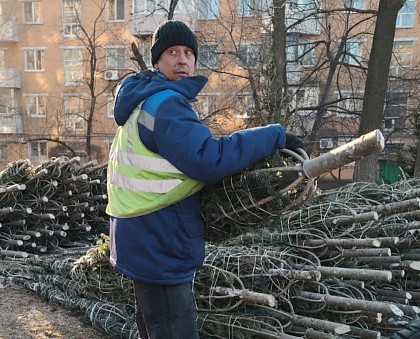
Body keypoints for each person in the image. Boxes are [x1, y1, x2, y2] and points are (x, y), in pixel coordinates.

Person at [106, 20, 304, 339]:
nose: (182, 59)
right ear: (157, 60)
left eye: (188, 52)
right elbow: (208, 159)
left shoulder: (141, 101)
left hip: (138, 237)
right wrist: (275, 135)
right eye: (172, 52)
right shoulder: (166, 105)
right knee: (173, 329)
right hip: (162, 238)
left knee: (154, 327)